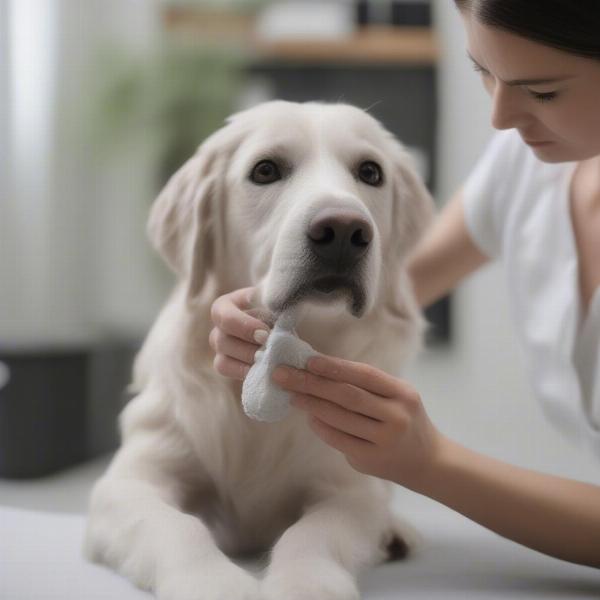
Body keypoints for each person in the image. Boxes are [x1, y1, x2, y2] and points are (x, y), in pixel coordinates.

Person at [209, 0, 600, 568]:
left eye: (542, 93)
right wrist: (262, 317)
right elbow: (391, 292)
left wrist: (431, 463)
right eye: (483, 71)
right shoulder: (528, 165)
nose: (500, 116)